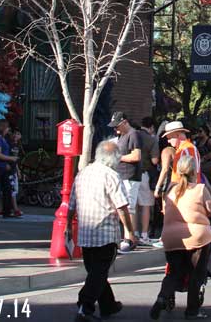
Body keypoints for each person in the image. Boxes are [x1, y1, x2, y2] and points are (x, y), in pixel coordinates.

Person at [150, 153, 211, 320]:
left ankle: (162, 297)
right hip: (196, 237)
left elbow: (165, 210)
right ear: (194, 171)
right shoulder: (200, 189)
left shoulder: (170, 190)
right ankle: (192, 310)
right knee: (196, 274)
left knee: (174, 273)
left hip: (170, 237)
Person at [71, 140, 137, 322]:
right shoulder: (111, 175)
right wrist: (129, 232)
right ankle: (85, 307)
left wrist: (69, 227)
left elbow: (71, 204)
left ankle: (108, 304)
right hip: (105, 232)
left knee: (96, 271)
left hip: (85, 232)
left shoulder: (82, 173)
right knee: (99, 272)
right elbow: (122, 206)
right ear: (113, 159)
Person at [110, 111, 143, 248]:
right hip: (121, 175)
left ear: (124, 122)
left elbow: (136, 156)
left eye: (117, 126)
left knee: (129, 207)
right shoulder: (122, 135)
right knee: (122, 206)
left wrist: (118, 158)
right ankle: (127, 236)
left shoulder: (133, 134)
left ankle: (130, 238)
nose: (115, 129)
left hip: (130, 176)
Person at [137, 117, 161, 243]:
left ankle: (133, 233)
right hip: (145, 174)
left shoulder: (132, 135)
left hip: (130, 173)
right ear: (151, 127)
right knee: (146, 205)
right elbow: (155, 160)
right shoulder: (151, 140)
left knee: (133, 205)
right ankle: (144, 234)